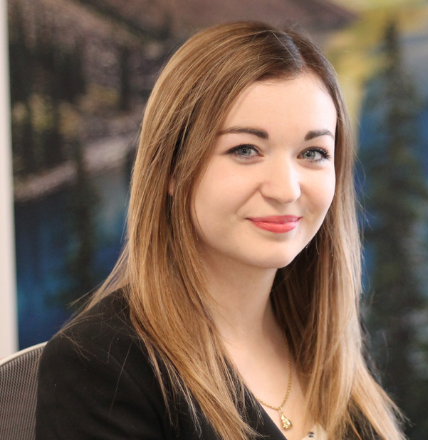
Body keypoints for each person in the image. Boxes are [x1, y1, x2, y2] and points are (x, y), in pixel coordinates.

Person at [35, 22, 403, 440]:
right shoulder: (102, 366)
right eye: (245, 149)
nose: (285, 189)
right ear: (173, 168)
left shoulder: (323, 342)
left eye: (313, 153)